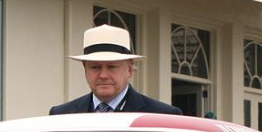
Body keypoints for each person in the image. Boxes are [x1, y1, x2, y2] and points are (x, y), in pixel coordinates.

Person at [51, 25, 181, 115]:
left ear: (130, 70)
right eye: (95, 67)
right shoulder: (61, 115)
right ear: (85, 70)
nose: (103, 75)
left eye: (112, 66)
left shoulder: (161, 116)